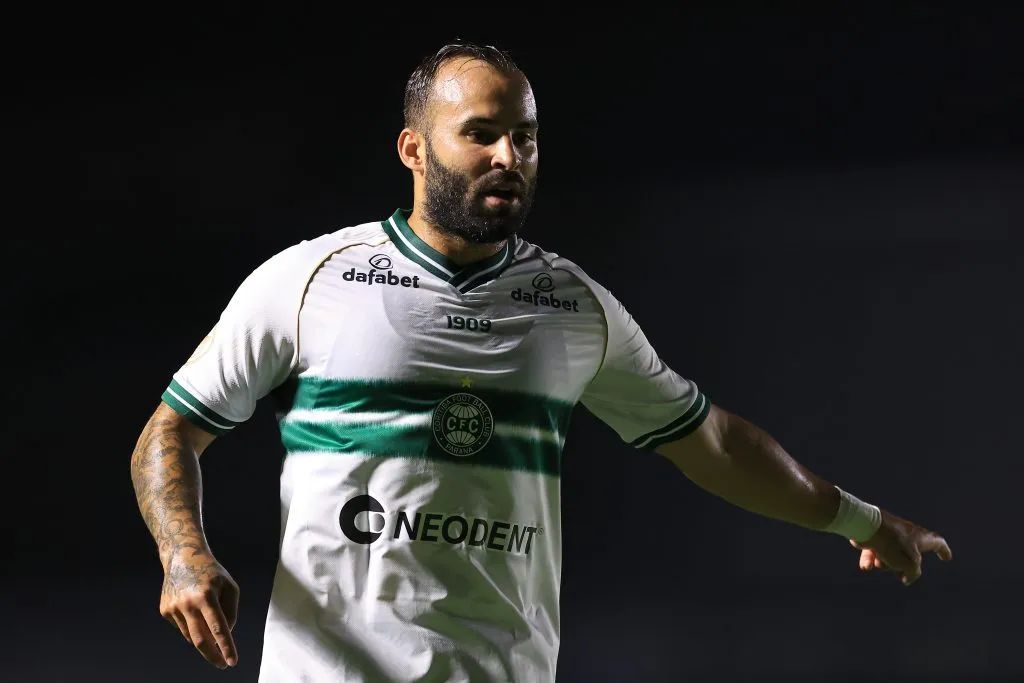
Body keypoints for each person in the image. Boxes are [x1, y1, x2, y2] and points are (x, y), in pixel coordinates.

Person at [130, 41, 953, 682]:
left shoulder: (572, 306)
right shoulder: (310, 281)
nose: (508, 157)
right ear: (414, 150)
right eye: (481, 134)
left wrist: (862, 517)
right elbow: (168, 432)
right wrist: (183, 553)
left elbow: (717, 445)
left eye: (524, 137)